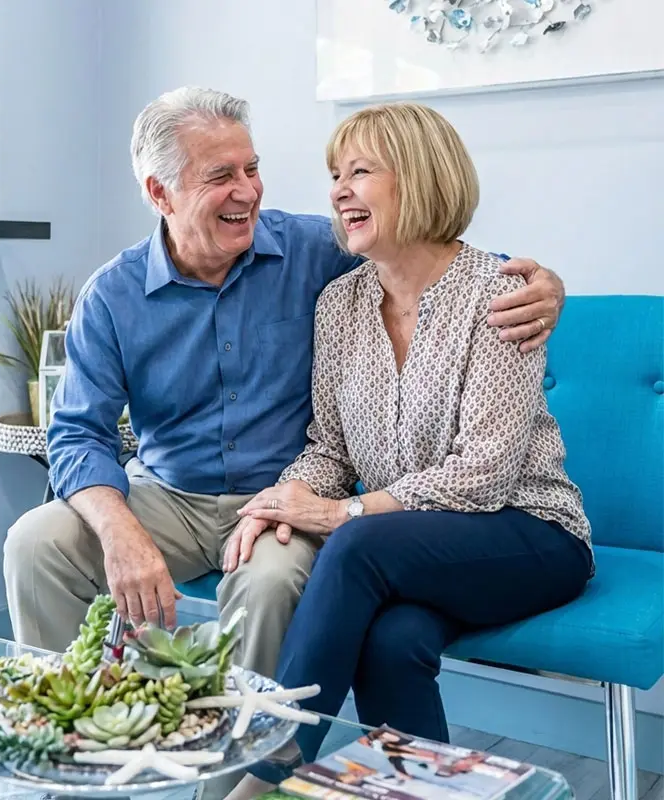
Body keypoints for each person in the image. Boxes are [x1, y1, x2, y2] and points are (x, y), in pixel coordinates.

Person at [3, 86, 565, 679]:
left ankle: (249, 767)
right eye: (220, 175)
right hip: (167, 496)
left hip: (290, 492)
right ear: (159, 192)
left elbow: (437, 259)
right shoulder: (113, 295)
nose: (245, 191)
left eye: (252, 168)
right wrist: (120, 534)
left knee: (269, 584)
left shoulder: (314, 249)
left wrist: (547, 287)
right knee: (35, 545)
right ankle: (80, 747)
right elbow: (75, 435)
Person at [226, 102, 592, 799]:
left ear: (420, 178)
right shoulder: (339, 304)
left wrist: (345, 514)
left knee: (357, 545)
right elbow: (328, 448)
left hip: (530, 532)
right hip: (416, 546)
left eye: (360, 170)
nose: (337, 189)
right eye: (335, 174)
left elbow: (483, 478)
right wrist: (281, 502)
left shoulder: (500, 293)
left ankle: (264, 771)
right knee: (392, 641)